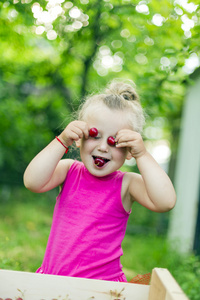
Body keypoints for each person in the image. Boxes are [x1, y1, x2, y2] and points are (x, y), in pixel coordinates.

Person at [23, 79, 176, 282]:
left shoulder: (127, 185)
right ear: (80, 138)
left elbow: (166, 202)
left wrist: (143, 155)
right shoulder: (69, 171)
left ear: (129, 150)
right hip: (54, 281)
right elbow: (32, 181)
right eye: (95, 135)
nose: (103, 147)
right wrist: (62, 140)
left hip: (103, 288)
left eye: (114, 141)